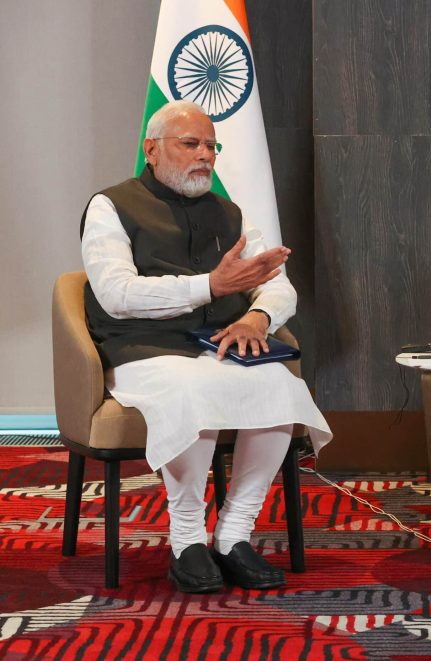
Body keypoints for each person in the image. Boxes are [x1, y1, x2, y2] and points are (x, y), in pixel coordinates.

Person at [80, 100, 333, 593]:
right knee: (191, 390)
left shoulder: (230, 213)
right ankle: (187, 541)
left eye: (212, 147)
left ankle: (234, 534)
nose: (205, 155)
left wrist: (259, 316)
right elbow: (116, 294)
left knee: (277, 386)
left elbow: (278, 285)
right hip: (143, 349)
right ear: (151, 149)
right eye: (190, 144)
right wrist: (209, 287)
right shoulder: (110, 206)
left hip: (216, 346)